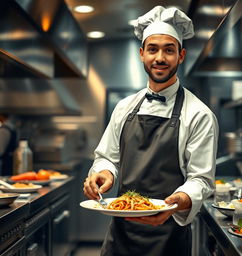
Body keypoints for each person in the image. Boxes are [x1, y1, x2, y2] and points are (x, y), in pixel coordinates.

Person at [83, 6, 219, 256]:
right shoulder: (124, 107)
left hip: (169, 237)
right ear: (142, 53)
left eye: (169, 50)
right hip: (120, 236)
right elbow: (108, 158)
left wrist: (177, 201)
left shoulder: (199, 114)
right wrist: (104, 174)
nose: (160, 57)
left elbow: (201, 179)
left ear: (181, 56)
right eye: (153, 49)